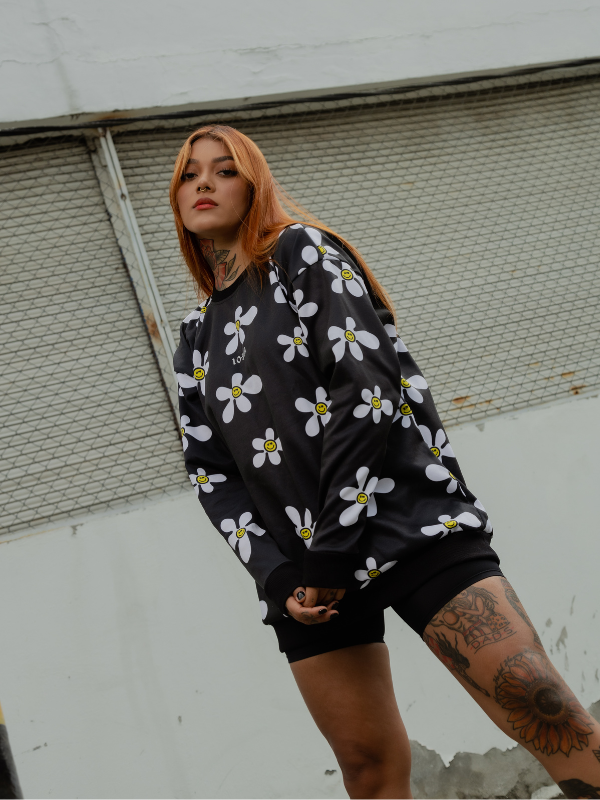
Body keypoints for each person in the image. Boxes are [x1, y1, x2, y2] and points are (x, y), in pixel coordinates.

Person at [170, 124, 600, 799]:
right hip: (305, 580)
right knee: (368, 771)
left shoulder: (299, 252)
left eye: (225, 170)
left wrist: (332, 548)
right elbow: (212, 473)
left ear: (254, 188)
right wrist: (278, 575)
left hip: (405, 523)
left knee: (543, 708)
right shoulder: (195, 338)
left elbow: (365, 388)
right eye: (190, 173)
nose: (204, 182)